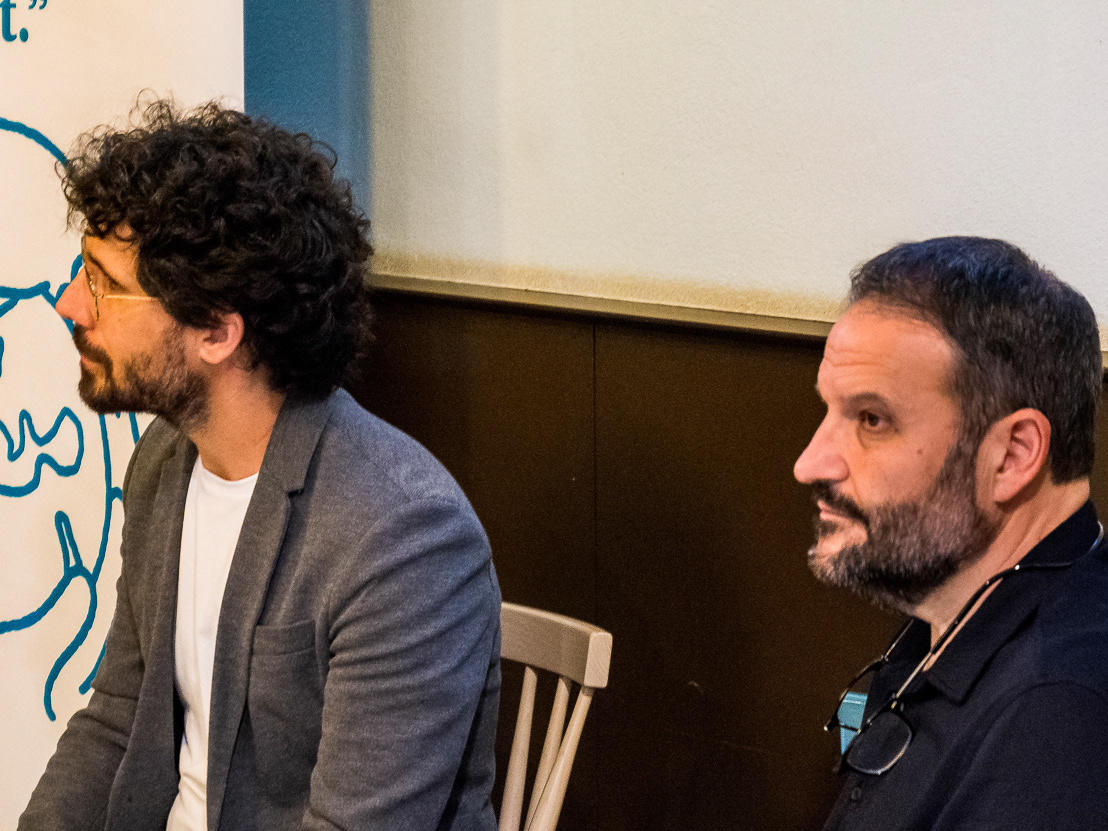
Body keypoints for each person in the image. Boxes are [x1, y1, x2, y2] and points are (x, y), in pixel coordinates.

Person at [18, 99, 501, 831]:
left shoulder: (404, 539)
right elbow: (118, 720)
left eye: (104, 283)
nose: (69, 305)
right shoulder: (164, 460)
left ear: (217, 331)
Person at [794, 236, 1108, 831]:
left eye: (871, 419)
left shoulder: (1057, 716)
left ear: (1012, 455)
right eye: (829, 411)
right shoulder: (955, 603)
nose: (810, 464)